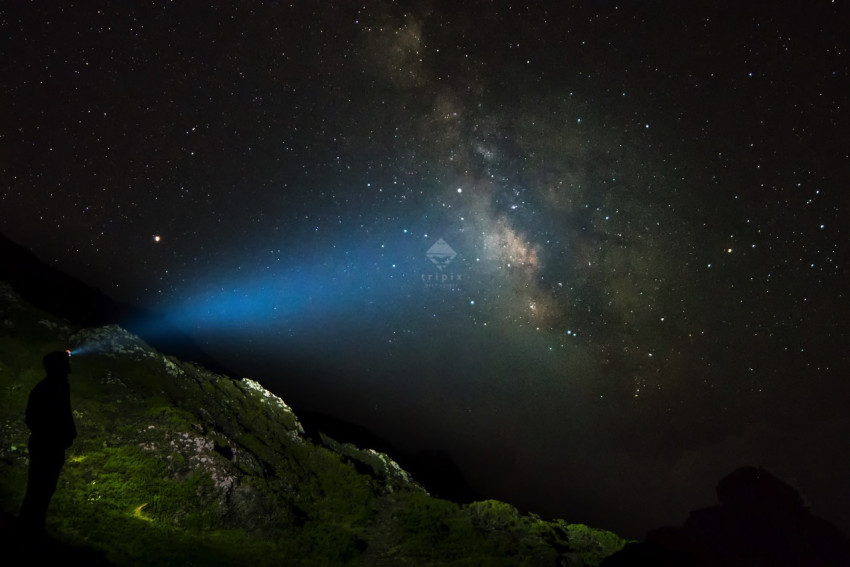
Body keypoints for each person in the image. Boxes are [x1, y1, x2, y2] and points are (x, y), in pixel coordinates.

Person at [17, 350, 77, 536]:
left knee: (42, 489)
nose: (69, 367)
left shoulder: (53, 387)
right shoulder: (51, 388)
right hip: (48, 446)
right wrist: (55, 437)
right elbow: (35, 418)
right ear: (57, 367)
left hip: (48, 445)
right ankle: (29, 532)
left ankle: (30, 529)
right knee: (40, 490)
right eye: (65, 363)